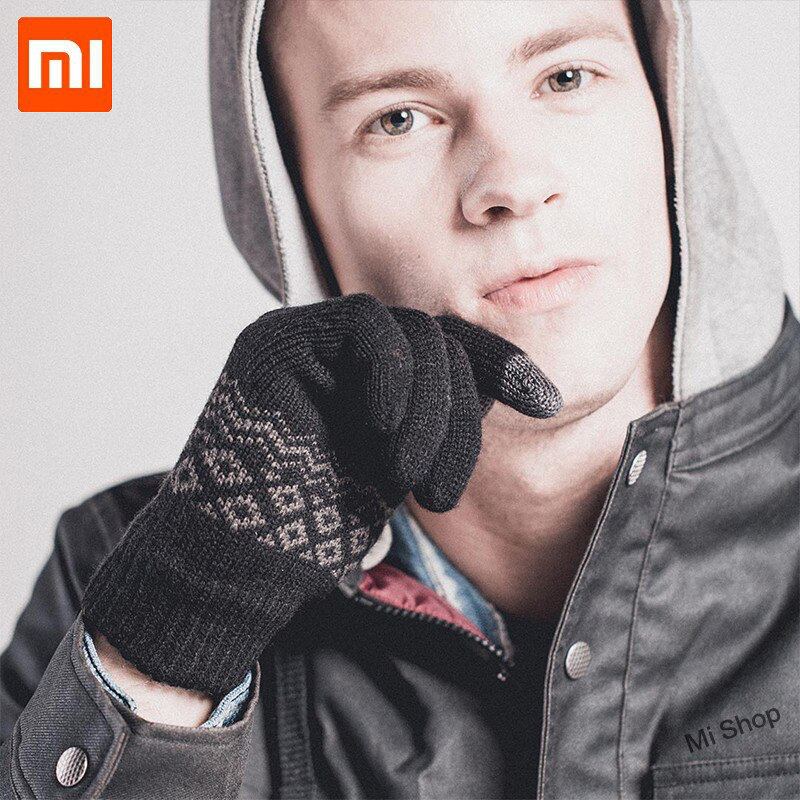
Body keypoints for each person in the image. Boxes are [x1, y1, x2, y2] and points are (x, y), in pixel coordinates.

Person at [2, 0, 797, 798]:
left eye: (566, 77)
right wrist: (173, 649)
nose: (512, 183)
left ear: (667, 103)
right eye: (398, 119)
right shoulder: (128, 579)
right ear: (295, 205)